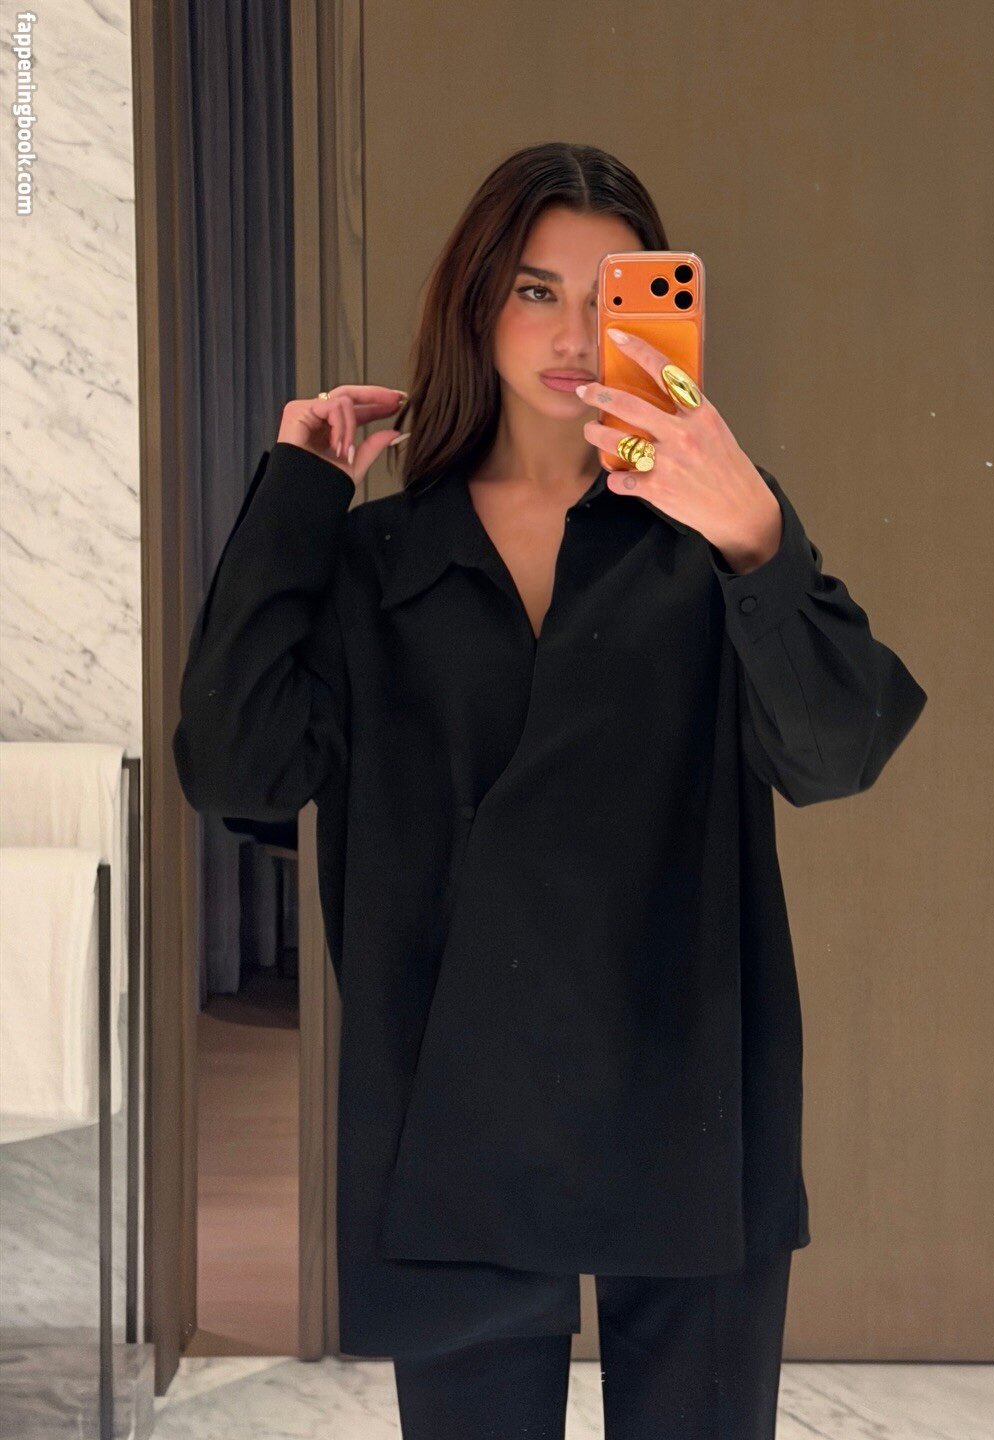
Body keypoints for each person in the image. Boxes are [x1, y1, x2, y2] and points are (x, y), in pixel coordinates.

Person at [173, 141, 928, 1439]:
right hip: (453, 1106)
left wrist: (754, 531)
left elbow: (838, 749)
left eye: (608, 294)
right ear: (476, 303)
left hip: (688, 1089)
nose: (575, 334)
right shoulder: (381, 556)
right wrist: (299, 491)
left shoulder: (712, 538)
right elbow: (238, 764)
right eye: (536, 290)